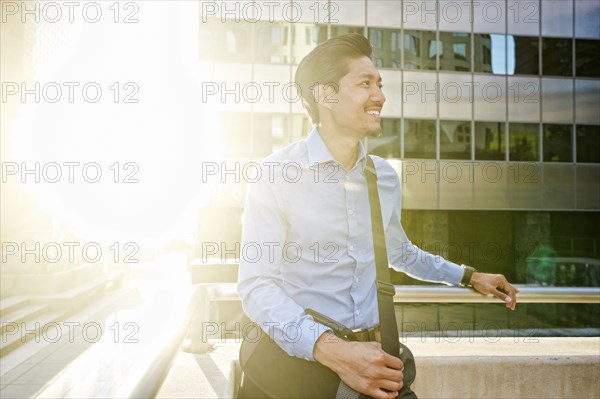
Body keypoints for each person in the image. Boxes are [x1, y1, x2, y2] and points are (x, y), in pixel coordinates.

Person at [236, 33, 518, 399]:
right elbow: (256, 286)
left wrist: (470, 276)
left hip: (373, 364)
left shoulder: (383, 176)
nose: (380, 96)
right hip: (293, 373)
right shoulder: (275, 175)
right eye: (364, 83)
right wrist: (333, 351)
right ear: (325, 95)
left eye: (379, 84)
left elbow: (399, 252)